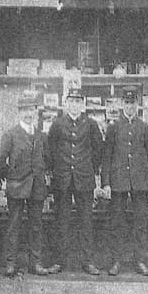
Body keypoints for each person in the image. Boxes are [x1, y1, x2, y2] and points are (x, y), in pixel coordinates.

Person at [101, 86, 148, 277]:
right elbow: (106, 157)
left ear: (138, 104)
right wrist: (106, 183)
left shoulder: (145, 128)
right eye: (126, 103)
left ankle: (139, 261)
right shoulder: (114, 127)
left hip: (140, 183)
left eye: (133, 103)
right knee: (117, 223)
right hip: (118, 183)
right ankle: (116, 261)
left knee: (140, 223)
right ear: (121, 104)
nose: (130, 106)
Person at [47, 88, 103, 275]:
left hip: (84, 178)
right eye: (71, 101)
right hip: (62, 178)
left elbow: (98, 151)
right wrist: (57, 169)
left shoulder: (91, 124)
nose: (75, 104)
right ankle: (59, 261)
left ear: (83, 104)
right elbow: (51, 150)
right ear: (66, 103)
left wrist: (88, 169)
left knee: (85, 221)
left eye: (78, 101)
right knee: (61, 220)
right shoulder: (57, 124)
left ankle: (87, 261)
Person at [0, 95, 50, 277]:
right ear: (19, 112)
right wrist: (11, 176)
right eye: (25, 110)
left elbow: (48, 159)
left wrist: (41, 174)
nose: (28, 114)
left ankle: (36, 263)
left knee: (36, 226)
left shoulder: (41, 135)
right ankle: (11, 263)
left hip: (37, 187)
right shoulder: (10, 134)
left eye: (31, 110)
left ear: (36, 112)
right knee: (14, 225)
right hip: (17, 186)